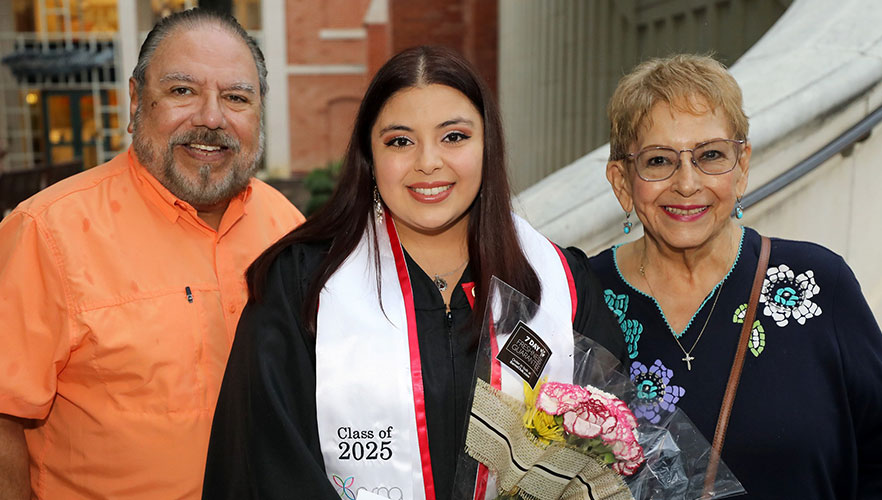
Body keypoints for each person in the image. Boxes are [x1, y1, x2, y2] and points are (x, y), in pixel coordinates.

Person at [202, 45, 626, 500]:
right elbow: (267, 465)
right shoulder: (303, 285)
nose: (428, 162)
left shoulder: (560, 286)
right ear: (370, 155)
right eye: (400, 141)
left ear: (489, 146)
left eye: (455, 137)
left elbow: (604, 451)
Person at [0, 9, 304, 500]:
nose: (211, 117)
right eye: (182, 91)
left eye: (236, 97)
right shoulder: (45, 233)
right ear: (137, 99)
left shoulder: (286, 228)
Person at [588, 53, 882, 498]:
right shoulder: (581, 297)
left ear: (742, 167)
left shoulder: (818, 286)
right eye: (658, 161)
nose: (687, 183)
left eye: (710, 155)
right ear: (623, 181)